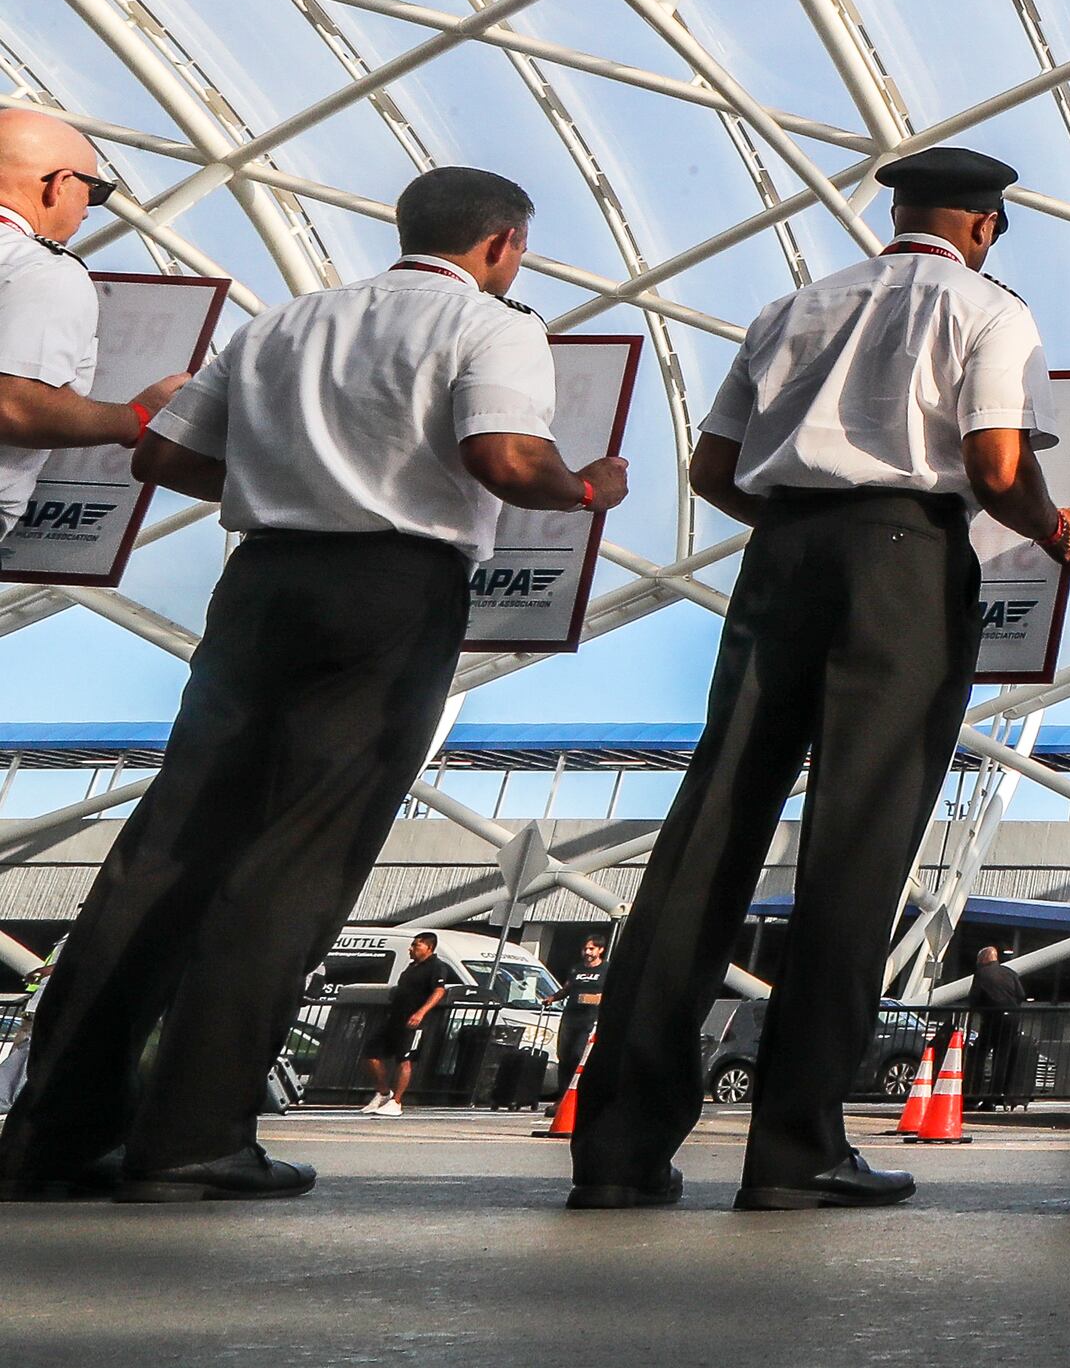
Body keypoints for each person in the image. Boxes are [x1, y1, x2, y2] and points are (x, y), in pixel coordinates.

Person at [0, 165, 622, 1204]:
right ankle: (194, 1137)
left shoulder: (287, 320)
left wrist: (273, 480)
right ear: (503, 245)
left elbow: (164, 454)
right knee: (299, 856)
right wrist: (587, 486)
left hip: (260, 586)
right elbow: (507, 458)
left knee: (165, 849)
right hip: (391, 588)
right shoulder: (493, 323)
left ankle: (51, 1135)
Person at [569, 147, 1070, 1213]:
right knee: (858, 842)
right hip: (904, 558)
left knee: (708, 831)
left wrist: (805, 529)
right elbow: (996, 463)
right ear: (985, 225)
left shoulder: (791, 306)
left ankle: (619, 1147)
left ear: (895, 210)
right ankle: (795, 1147)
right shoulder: (990, 310)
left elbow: (714, 468)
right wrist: (1054, 524)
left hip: (783, 556)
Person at [0, 109, 191, 539]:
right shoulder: (40, 268)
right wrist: (137, 416)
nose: (89, 209)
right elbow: (15, 407)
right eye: (96, 190)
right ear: (59, 184)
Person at [365, 935, 456, 1117]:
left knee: (404, 1060)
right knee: (371, 1053)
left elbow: (439, 991)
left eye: (416, 945)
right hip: (395, 1018)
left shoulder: (436, 967)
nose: (411, 949)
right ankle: (384, 1093)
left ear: (429, 947)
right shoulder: (411, 967)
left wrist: (420, 1013)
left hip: (415, 1020)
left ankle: (396, 1101)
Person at [965, 947, 1028, 1112]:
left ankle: (973, 1095)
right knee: (1002, 1058)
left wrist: (980, 1010)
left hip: (992, 1018)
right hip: (1011, 1019)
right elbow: (1021, 994)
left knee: (978, 1054)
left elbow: (974, 998)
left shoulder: (981, 974)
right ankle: (993, 1099)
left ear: (983, 959)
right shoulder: (1009, 972)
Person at [552, 936, 606, 1102]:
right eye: (585, 949)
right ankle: (562, 1097)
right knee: (564, 1056)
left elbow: (611, 994)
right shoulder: (577, 969)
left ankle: (576, 1095)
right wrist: (552, 998)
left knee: (577, 1055)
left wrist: (592, 998)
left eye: (591, 949)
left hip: (589, 1020)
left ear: (600, 950)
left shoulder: (605, 969)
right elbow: (567, 988)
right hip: (570, 1017)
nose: (587, 952)